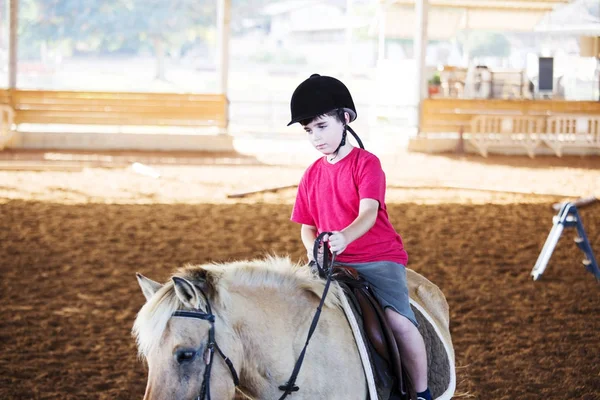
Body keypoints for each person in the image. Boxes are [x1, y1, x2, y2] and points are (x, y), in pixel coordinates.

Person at [288, 74, 432, 400]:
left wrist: (343, 238)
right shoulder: (311, 174)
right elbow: (306, 225)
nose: (315, 137)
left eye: (322, 126)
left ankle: (422, 391)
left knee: (398, 322)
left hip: (377, 257)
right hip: (330, 263)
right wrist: (314, 249)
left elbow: (368, 213)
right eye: (309, 130)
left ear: (345, 119)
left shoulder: (367, 165)